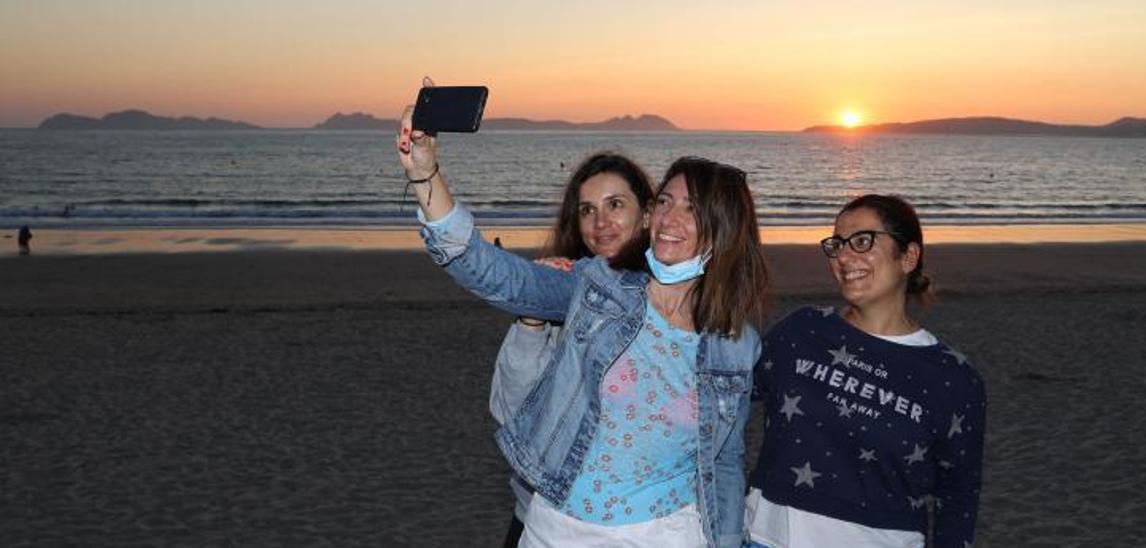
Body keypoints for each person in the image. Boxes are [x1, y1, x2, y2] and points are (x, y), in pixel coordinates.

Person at [396, 80, 770, 548]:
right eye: (664, 203)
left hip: (665, 533)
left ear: (723, 232)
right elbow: (496, 275)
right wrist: (425, 175)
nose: (668, 220)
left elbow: (726, 458)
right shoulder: (599, 284)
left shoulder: (737, 343)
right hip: (557, 526)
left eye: (691, 210)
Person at [746, 195, 986, 548]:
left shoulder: (954, 379)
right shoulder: (801, 331)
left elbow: (959, 498)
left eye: (862, 241)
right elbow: (724, 397)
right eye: (837, 244)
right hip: (762, 537)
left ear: (908, 257)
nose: (843, 257)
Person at [490, 152, 656, 548]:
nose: (601, 223)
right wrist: (532, 316)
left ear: (647, 215)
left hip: (625, 528)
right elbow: (508, 410)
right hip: (538, 517)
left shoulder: (669, 303)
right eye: (587, 210)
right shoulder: (562, 290)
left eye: (615, 205)